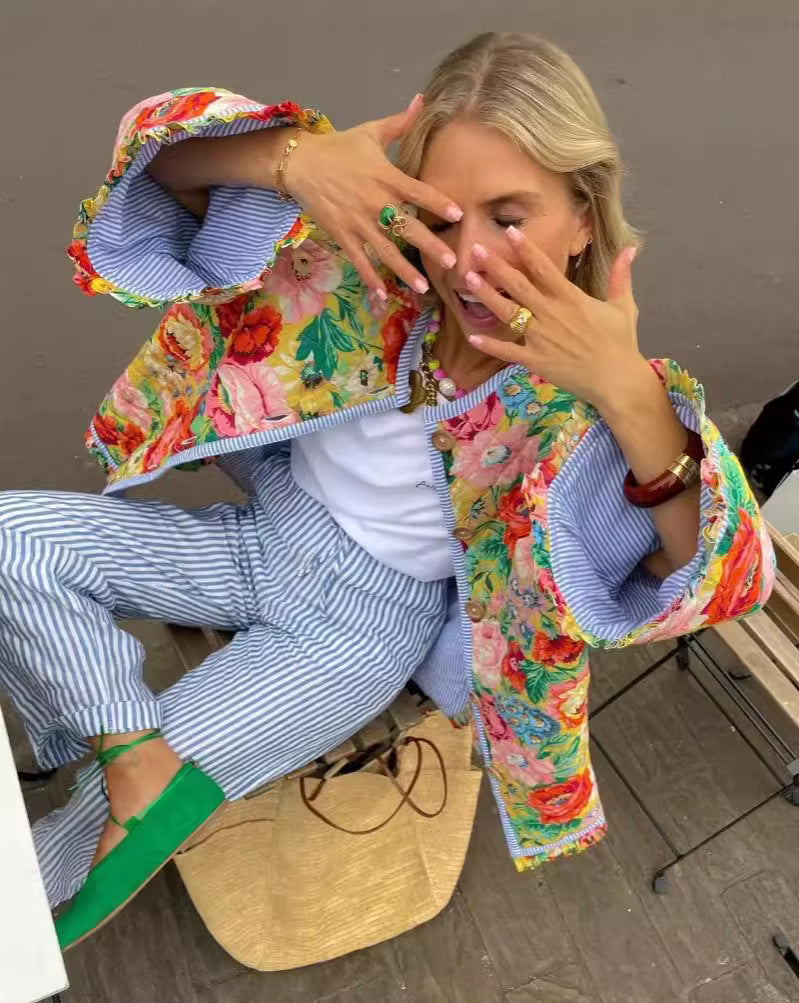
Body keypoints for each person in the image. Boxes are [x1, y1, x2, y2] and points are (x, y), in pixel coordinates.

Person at [1, 32, 773, 950]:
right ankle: (116, 741)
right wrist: (291, 159)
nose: (467, 259)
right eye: (439, 218)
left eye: (510, 217)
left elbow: (725, 581)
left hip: (354, 634)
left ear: (581, 215)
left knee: (113, 816)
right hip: (261, 538)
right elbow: (158, 167)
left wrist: (629, 395)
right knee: (14, 538)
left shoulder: (587, 411)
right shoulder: (365, 271)